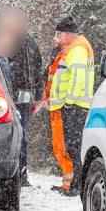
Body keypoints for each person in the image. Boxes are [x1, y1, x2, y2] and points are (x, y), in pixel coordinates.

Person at [34, 15, 94, 196]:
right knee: (70, 146)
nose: (56, 38)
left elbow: (77, 77)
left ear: (68, 34)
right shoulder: (74, 48)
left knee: (74, 147)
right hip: (71, 106)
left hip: (74, 107)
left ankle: (77, 185)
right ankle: (73, 183)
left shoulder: (77, 50)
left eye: (59, 34)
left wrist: (69, 102)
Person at [0, 7, 43, 185]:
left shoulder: (30, 45)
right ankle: (4, 174)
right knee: (4, 136)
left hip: (23, 99)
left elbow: (37, 72)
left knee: (23, 137)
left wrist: (38, 96)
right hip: (2, 98)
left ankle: (22, 173)